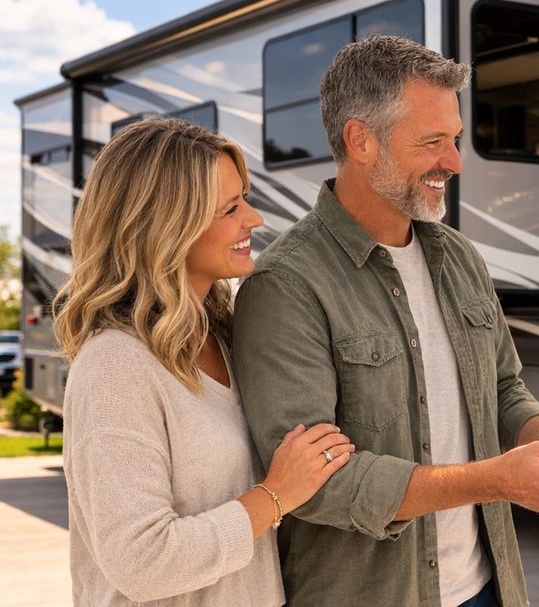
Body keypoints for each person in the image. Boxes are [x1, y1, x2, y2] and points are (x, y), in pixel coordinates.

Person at [231, 36, 539, 606]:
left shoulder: (461, 258)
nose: (455, 163)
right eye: (433, 142)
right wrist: (498, 479)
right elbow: (312, 485)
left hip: (487, 587)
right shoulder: (286, 286)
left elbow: (505, 389)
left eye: (455, 140)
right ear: (360, 140)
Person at [56, 116, 352, 605]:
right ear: (166, 226)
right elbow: (142, 561)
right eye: (230, 208)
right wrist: (276, 495)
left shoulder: (226, 335)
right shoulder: (114, 366)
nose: (253, 220)